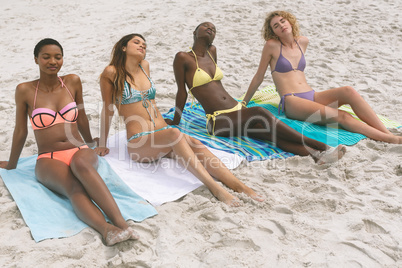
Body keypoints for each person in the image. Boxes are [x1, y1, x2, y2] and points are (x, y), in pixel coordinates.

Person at [94, 34, 265, 207]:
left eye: (144, 44)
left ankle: (239, 185)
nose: (142, 46)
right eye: (136, 43)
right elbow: (107, 109)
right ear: (123, 47)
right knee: (175, 133)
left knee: (195, 143)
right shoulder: (111, 72)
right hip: (140, 142)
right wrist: (102, 143)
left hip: (161, 134)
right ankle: (215, 188)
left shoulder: (144, 66)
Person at [0, 38, 139, 246]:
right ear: (36, 59)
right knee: (74, 187)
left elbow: (81, 117)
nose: (52, 61)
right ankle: (107, 230)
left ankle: (123, 224)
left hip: (78, 149)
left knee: (81, 165)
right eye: (46, 57)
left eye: (58, 57)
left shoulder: (72, 81)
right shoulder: (25, 90)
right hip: (48, 157)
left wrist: (92, 142)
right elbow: (20, 131)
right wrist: (12, 164)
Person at [169, 22, 346, 164]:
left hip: (237, 110)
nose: (210, 29)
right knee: (260, 112)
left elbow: (216, 85)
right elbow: (181, 93)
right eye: (206, 26)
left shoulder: (212, 51)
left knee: (270, 133)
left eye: (213, 29)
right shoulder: (183, 57)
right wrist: (175, 120)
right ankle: (323, 146)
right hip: (218, 120)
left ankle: (316, 156)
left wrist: (242, 103)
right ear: (195, 32)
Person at [244, 10, 402, 144]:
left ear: (290, 22)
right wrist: (244, 102)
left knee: (349, 91)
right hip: (292, 101)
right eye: (276, 26)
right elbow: (259, 77)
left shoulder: (303, 42)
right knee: (342, 116)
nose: (281, 26)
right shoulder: (272, 46)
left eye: (283, 21)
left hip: (312, 95)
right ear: (273, 32)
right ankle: (392, 140)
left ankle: (386, 133)